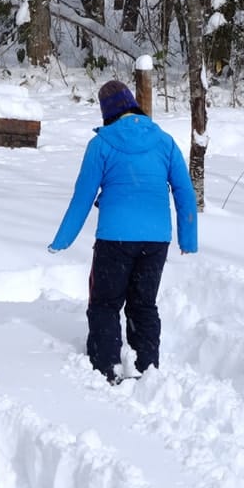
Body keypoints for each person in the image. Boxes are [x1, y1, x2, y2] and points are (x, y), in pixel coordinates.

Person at [48, 79, 198, 384]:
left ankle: (107, 367)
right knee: (143, 304)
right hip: (156, 240)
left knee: (105, 302)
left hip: (114, 239)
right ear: (133, 106)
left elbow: (83, 196)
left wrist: (62, 240)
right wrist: (188, 238)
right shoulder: (165, 141)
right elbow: (184, 191)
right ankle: (147, 368)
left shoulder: (101, 144)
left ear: (107, 113)